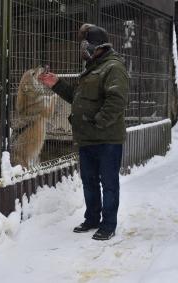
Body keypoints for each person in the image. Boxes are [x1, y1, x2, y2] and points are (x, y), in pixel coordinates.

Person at [38, 24, 129, 240]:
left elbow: (117, 101)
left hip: (106, 139)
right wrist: (57, 84)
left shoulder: (113, 68)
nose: (83, 49)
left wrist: (98, 122)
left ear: (99, 46)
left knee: (108, 183)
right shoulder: (92, 68)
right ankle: (92, 219)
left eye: (86, 45)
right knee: (89, 182)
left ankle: (108, 225)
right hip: (87, 138)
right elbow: (78, 98)